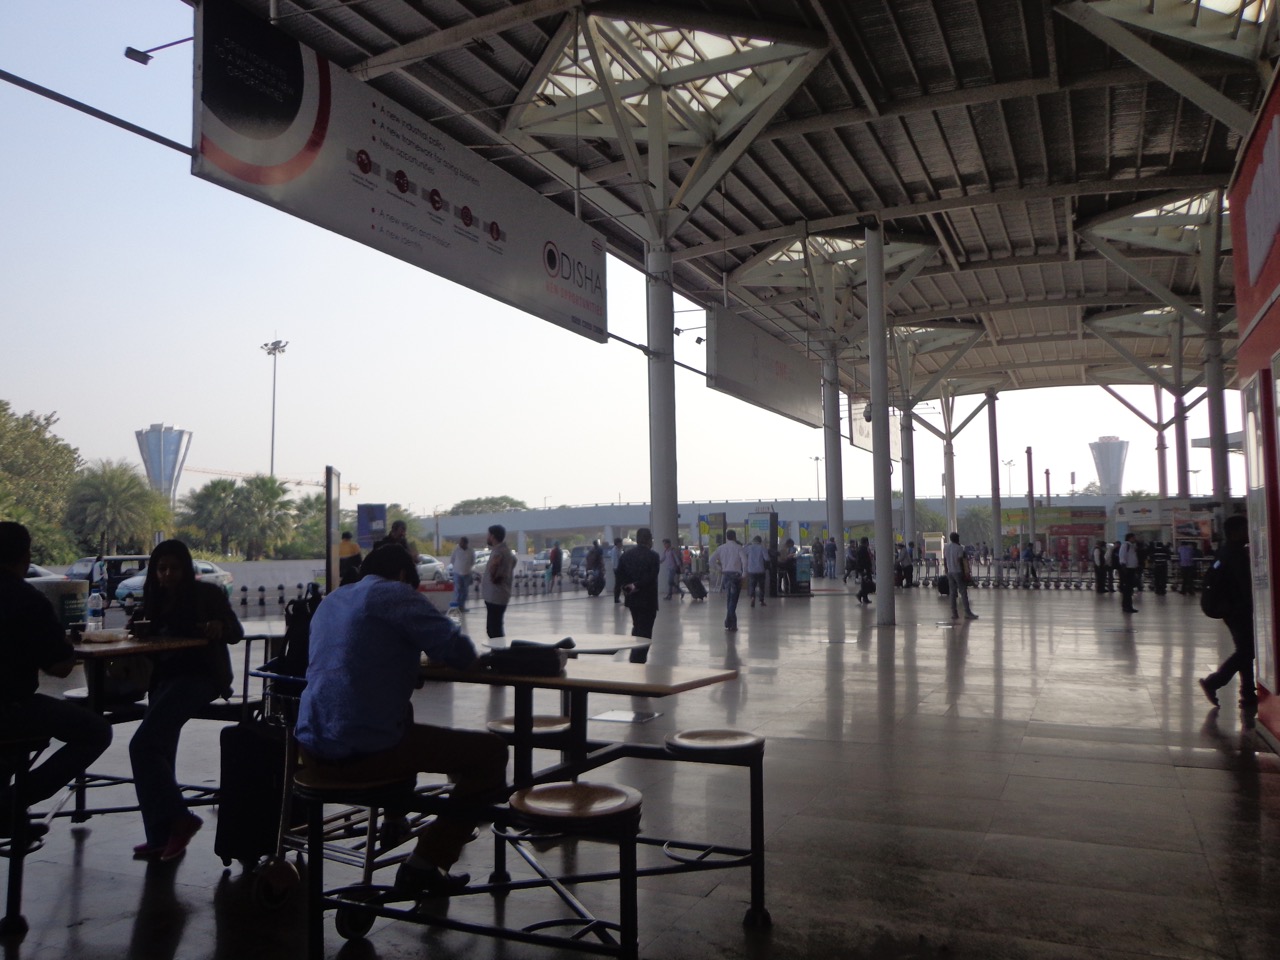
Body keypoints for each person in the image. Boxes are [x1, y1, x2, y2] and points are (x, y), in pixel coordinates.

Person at [295, 544, 508, 897]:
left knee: (401, 714)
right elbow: (460, 653)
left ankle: (395, 819)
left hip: (311, 750)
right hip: (360, 755)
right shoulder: (394, 593)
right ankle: (425, 863)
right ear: (404, 576)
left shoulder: (333, 600)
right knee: (490, 753)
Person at [127, 539, 244, 861]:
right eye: (161, 569)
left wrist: (218, 626)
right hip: (164, 679)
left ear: (186, 568)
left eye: (174, 568)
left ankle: (179, 820)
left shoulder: (207, 594)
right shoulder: (154, 599)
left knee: (143, 745)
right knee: (159, 749)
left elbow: (236, 631)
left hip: (202, 677)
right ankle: (160, 837)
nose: (167, 575)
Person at [0, 522, 112, 837]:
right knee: (95, 731)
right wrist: (65, 647)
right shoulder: (27, 600)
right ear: (25, 556)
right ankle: (11, 803)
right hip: (12, 708)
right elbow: (61, 667)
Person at [1198, 515, 1256, 714]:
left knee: (1245, 650)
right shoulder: (1237, 554)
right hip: (1238, 609)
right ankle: (1214, 682)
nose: (1249, 532)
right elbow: (1245, 586)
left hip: (1229, 609)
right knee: (1247, 651)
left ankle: (1248, 694)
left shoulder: (1224, 551)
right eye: (1245, 528)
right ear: (1236, 531)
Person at [617, 528, 660, 661]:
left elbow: (619, 575)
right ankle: (638, 658)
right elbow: (651, 577)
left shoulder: (626, 556)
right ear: (648, 539)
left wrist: (627, 586)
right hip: (648, 600)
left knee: (637, 626)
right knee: (645, 631)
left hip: (633, 599)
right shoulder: (653, 556)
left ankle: (635, 655)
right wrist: (637, 585)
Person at [481, 525, 517, 639]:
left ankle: (499, 653)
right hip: (499, 595)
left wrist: (493, 576)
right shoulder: (506, 551)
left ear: (493, 536)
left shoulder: (499, 552)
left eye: (488, 535)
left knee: (494, 629)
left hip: (495, 595)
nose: (487, 537)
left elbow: (495, 568)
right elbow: (514, 562)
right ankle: (498, 652)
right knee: (494, 627)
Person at [711, 531, 747, 631]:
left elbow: (711, 560)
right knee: (733, 600)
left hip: (726, 575)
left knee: (729, 598)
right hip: (736, 576)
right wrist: (744, 574)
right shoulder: (739, 548)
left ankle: (732, 623)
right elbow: (744, 561)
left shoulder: (721, 548)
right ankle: (728, 620)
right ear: (735, 537)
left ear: (726, 537)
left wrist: (719, 568)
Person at [943, 532, 978, 620]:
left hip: (950, 572)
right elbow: (960, 562)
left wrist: (946, 570)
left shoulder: (946, 547)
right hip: (958, 572)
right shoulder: (959, 548)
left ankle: (954, 613)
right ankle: (967, 612)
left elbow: (945, 560)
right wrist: (965, 573)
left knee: (952, 593)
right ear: (957, 539)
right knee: (963, 592)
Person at [449, 536, 475, 612]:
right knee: (457, 590)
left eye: (462, 542)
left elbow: (473, 561)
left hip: (467, 574)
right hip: (457, 573)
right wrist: (457, 568)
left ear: (466, 543)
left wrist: (466, 568)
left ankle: (462, 607)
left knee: (465, 591)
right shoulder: (456, 549)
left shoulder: (471, 550)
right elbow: (452, 560)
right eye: (460, 542)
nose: (460, 544)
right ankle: (456, 608)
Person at [1118, 532, 1140, 614]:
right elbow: (1122, 556)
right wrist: (1124, 566)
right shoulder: (1125, 545)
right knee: (1127, 589)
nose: (1135, 539)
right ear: (1130, 538)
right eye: (1134, 537)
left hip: (1131, 569)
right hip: (1127, 569)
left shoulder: (1131, 546)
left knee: (1130, 589)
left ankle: (1128, 606)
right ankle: (1126, 606)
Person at [745, 535, 769, 608]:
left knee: (752, 585)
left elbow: (742, 552)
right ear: (760, 541)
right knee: (761, 586)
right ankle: (761, 601)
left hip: (751, 569)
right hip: (760, 570)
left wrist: (747, 544)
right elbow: (767, 558)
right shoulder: (762, 548)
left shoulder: (749, 547)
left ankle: (752, 597)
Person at [854, 537, 873, 604]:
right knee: (867, 583)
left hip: (864, 569)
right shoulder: (862, 549)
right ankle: (860, 594)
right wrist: (864, 569)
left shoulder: (861, 549)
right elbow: (862, 561)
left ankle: (864, 598)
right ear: (866, 542)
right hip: (864, 569)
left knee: (865, 584)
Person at [609, 537, 625, 604]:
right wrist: (618, 568)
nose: (621, 544)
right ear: (617, 543)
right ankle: (616, 598)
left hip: (619, 568)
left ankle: (618, 598)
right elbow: (615, 561)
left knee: (620, 584)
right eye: (620, 543)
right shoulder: (615, 550)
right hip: (617, 569)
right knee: (618, 584)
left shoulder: (618, 550)